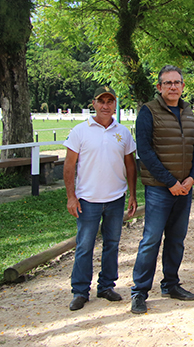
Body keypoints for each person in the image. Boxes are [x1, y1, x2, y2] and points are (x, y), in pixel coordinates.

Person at [131, 65, 194, 314]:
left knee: (176, 239)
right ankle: (139, 292)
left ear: (183, 86)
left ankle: (171, 284)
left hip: (184, 188)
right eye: (168, 83)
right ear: (159, 87)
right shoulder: (148, 111)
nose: (173, 87)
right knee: (151, 240)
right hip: (160, 189)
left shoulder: (188, 111)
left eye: (177, 82)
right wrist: (170, 182)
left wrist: (192, 177)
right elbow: (145, 151)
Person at [64, 86, 137, 311]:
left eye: (110, 101)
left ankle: (106, 285)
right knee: (85, 245)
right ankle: (80, 290)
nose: (106, 106)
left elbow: (130, 165)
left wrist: (132, 194)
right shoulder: (80, 131)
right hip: (88, 199)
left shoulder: (123, 132)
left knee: (112, 244)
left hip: (115, 198)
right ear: (94, 103)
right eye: (101, 101)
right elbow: (69, 165)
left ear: (115, 104)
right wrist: (71, 197)